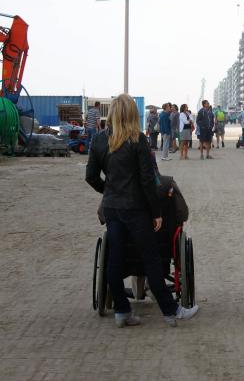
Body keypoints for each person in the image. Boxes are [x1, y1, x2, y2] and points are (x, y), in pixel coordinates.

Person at [85, 94, 198, 328]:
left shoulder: (98, 140)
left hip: (112, 207)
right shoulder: (137, 140)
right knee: (151, 259)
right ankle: (170, 310)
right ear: (132, 115)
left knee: (115, 260)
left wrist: (108, 191)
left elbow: (90, 177)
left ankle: (122, 311)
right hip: (135, 208)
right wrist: (156, 212)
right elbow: (148, 180)